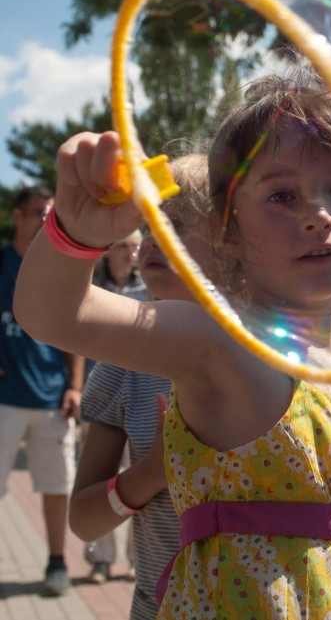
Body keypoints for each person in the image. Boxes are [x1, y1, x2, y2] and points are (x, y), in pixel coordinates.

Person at [13, 65, 331, 619]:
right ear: (227, 230)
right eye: (281, 196)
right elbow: (53, 313)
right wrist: (75, 234)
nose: (317, 214)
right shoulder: (218, 342)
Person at [71, 155, 210, 620]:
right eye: (150, 223)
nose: (153, 239)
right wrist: (151, 473)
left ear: (233, 243)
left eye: (180, 225)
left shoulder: (270, 354)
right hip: (162, 607)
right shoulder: (123, 361)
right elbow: (84, 518)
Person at [0, 185, 85, 596]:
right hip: (5, 400)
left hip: (52, 398)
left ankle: (57, 563)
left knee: (56, 485)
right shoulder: (1, 263)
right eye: (37, 212)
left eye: (50, 212)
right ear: (17, 215)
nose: (44, 219)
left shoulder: (58, 266)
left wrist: (75, 386)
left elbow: (74, 331)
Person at [82, 227, 145, 585]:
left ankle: (137, 558)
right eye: (123, 246)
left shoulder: (149, 290)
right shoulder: (89, 288)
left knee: (136, 480)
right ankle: (100, 560)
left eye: (136, 247)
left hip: (138, 396)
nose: (131, 254)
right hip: (99, 400)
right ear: (107, 250)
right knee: (98, 483)